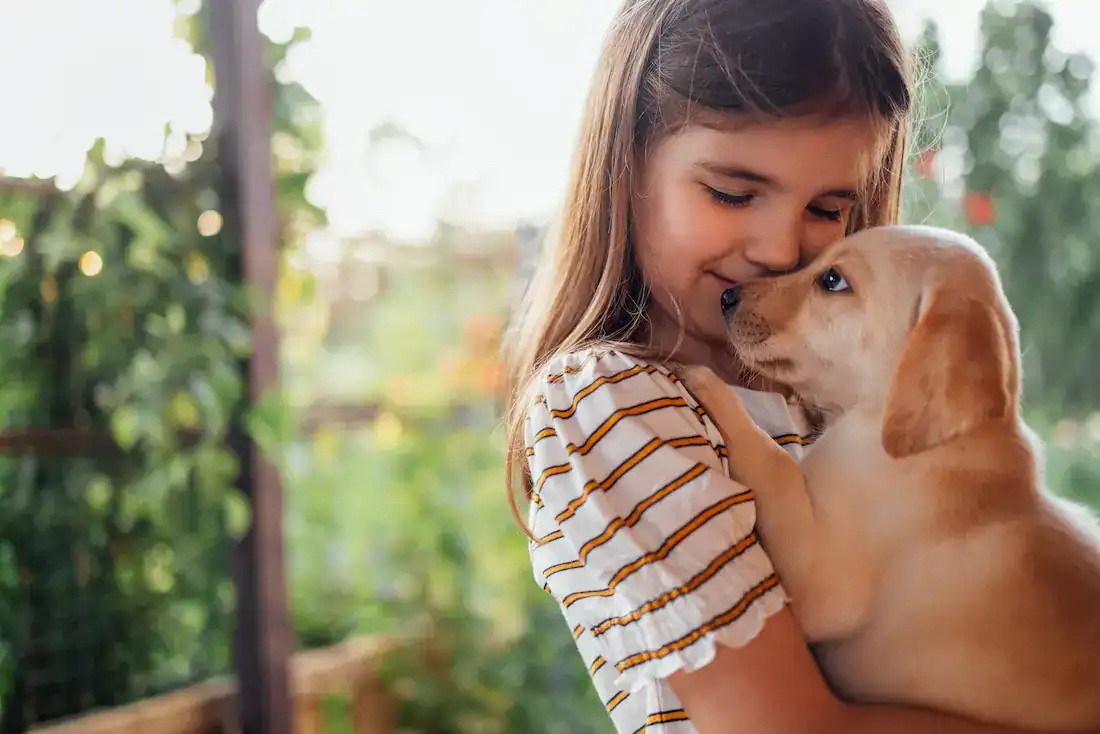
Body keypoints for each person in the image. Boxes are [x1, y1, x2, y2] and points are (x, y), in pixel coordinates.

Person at [501, 1, 1080, 732]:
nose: (780, 250)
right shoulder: (610, 403)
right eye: (733, 193)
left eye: (829, 206)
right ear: (625, 163)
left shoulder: (836, 391)